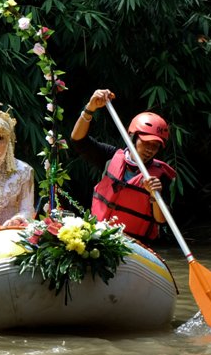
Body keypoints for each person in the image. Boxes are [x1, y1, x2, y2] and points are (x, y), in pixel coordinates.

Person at [69, 88, 175, 241]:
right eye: (146, 143)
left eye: (155, 145)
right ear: (132, 138)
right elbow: (78, 141)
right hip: (101, 235)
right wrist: (89, 109)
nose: (150, 149)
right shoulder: (110, 156)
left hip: (136, 243)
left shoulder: (159, 176)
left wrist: (154, 196)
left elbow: (161, 220)